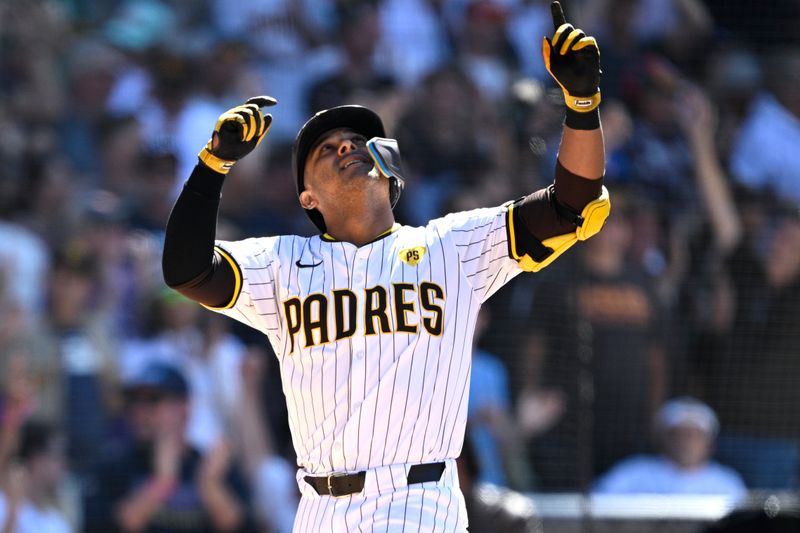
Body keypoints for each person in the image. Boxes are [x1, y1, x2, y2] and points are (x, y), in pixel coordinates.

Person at [162, 2, 609, 530]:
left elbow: (571, 204)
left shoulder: (452, 246)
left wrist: (581, 103)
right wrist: (214, 165)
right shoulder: (281, 263)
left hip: (418, 502)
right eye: (325, 148)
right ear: (307, 198)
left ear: (388, 168)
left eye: (356, 140)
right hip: (321, 509)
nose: (344, 145)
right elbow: (187, 271)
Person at [83, 362, 252, 533]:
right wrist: (161, 483)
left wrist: (210, 486)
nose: (140, 410)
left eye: (153, 399)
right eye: (134, 400)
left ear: (185, 408)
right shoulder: (112, 465)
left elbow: (240, 526)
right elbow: (106, 527)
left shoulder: (213, 467)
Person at [593, 397, 747, 502]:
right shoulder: (633, 472)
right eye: (679, 433)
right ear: (664, 438)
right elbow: (595, 504)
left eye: (695, 435)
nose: (687, 441)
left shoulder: (727, 482)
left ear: (710, 443)